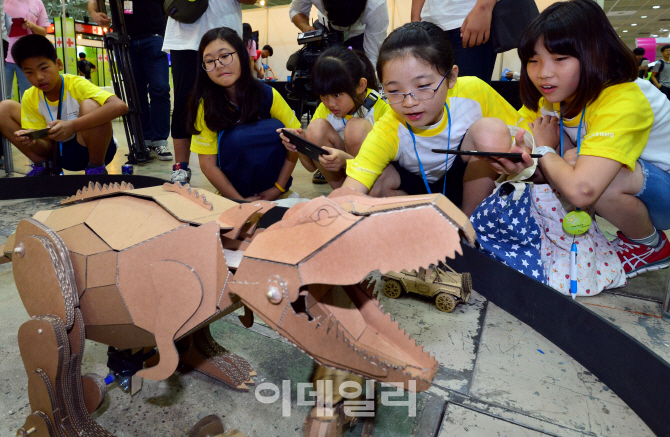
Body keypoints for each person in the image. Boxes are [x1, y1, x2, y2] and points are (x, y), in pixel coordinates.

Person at [492, 0, 670, 278]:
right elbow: (513, 137)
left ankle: (649, 245)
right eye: (533, 60)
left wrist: (543, 149)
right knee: (570, 160)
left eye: (560, 59)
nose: (543, 73)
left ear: (595, 54)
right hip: (637, 191)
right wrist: (523, 157)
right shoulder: (551, 97)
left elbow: (582, 190)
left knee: (592, 172)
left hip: (662, 193)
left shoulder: (624, 97)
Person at [340, 22, 528, 216]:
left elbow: (525, 135)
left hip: (468, 187)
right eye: (394, 91)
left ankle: (470, 229)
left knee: (491, 131)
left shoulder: (474, 92)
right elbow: (350, 190)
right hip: (413, 193)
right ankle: (422, 226)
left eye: (422, 86)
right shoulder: (390, 126)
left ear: (451, 77)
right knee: (373, 186)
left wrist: (522, 154)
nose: (409, 102)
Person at [187, 27, 299, 200]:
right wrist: (239, 201)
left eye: (225, 56)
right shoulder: (206, 107)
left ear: (241, 55)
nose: (218, 65)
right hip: (232, 197)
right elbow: (208, 165)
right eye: (209, 61)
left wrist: (277, 188)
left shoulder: (268, 95)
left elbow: (296, 144)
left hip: (278, 191)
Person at [0, 34, 128, 176]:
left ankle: (96, 169)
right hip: (56, 154)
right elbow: (47, 148)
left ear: (58, 64)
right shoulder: (30, 96)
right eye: (29, 72)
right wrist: (33, 142)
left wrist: (72, 126)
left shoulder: (76, 84)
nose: (39, 77)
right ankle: (45, 167)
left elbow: (120, 106)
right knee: (3, 109)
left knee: (90, 105)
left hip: (93, 151)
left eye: (43, 68)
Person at [163, 0, 256, 184]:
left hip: (225, 32)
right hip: (184, 35)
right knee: (184, 102)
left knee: (230, 99)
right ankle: (180, 168)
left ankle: (231, 163)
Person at [280, 46, 389, 189]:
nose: (330, 103)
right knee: (315, 128)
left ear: (361, 85)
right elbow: (311, 167)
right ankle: (342, 191)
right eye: (323, 95)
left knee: (356, 127)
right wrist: (299, 144)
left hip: (374, 180)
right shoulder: (324, 109)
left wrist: (346, 161)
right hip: (343, 181)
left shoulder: (381, 109)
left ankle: (358, 192)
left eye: (337, 95)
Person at [88, 0, 173, 161]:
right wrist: (94, 13)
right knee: (135, 92)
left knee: (160, 88)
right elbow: (94, 1)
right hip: (124, 40)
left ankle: (160, 140)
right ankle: (144, 139)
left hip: (154, 37)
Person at [411, 0, 497, 82]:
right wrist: (415, 21)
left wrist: (483, 7)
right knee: (425, 92)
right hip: (429, 23)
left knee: (467, 93)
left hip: (468, 20)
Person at [289, 0, 389, 68]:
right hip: (324, 30)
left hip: (359, 37)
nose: (341, 28)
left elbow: (372, 58)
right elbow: (297, 9)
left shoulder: (377, 5)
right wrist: (305, 27)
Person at [4, 0, 48, 100]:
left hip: (28, 57)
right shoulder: (3, 2)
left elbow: (43, 32)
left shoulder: (37, 3)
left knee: (29, 96)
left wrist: (32, 25)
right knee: (3, 96)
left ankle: (29, 115)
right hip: (4, 57)